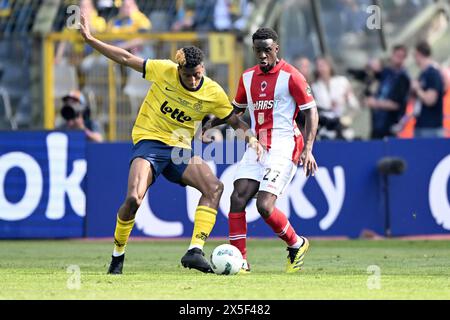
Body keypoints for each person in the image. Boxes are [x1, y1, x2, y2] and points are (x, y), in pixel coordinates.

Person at [79, 12, 262, 274]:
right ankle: (117, 255)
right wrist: (91, 39)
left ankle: (195, 250)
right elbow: (125, 57)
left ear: (203, 70)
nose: (193, 80)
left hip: (179, 149)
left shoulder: (212, 92)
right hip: (149, 141)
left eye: (197, 75)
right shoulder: (164, 70)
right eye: (188, 76)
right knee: (133, 199)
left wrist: (252, 137)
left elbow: (235, 121)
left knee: (214, 188)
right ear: (178, 70)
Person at [204, 27, 319, 273]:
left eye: (267, 50)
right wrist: (210, 123)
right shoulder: (247, 77)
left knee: (264, 206)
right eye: (258, 51)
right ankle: (242, 262)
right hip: (258, 144)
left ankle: (296, 244)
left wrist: (308, 149)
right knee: (237, 198)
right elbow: (235, 112)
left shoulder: (292, 76)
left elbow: (311, 111)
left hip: (285, 144)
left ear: (276, 49)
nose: (263, 55)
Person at [365, 44, 411, 139]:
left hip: (391, 126)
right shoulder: (387, 72)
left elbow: (397, 104)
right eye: (396, 55)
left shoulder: (403, 78)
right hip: (377, 124)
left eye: (401, 56)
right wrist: (371, 63)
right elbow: (372, 71)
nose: (398, 59)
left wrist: (376, 103)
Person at [312, 56, 360, 140]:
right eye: (318, 66)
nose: (320, 69)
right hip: (325, 130)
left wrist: (347, 119)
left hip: (343, 128)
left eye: (323, 65)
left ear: (330, 66)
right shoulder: (314, 86)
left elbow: (354, 105)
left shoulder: (342, 82)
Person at [411, 41, 445, 138]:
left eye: (415, 55)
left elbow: (430, 100)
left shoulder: (433, 73)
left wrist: (417, 89)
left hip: (431, 127)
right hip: (421, 124)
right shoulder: (423, 74)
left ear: (419, 54)